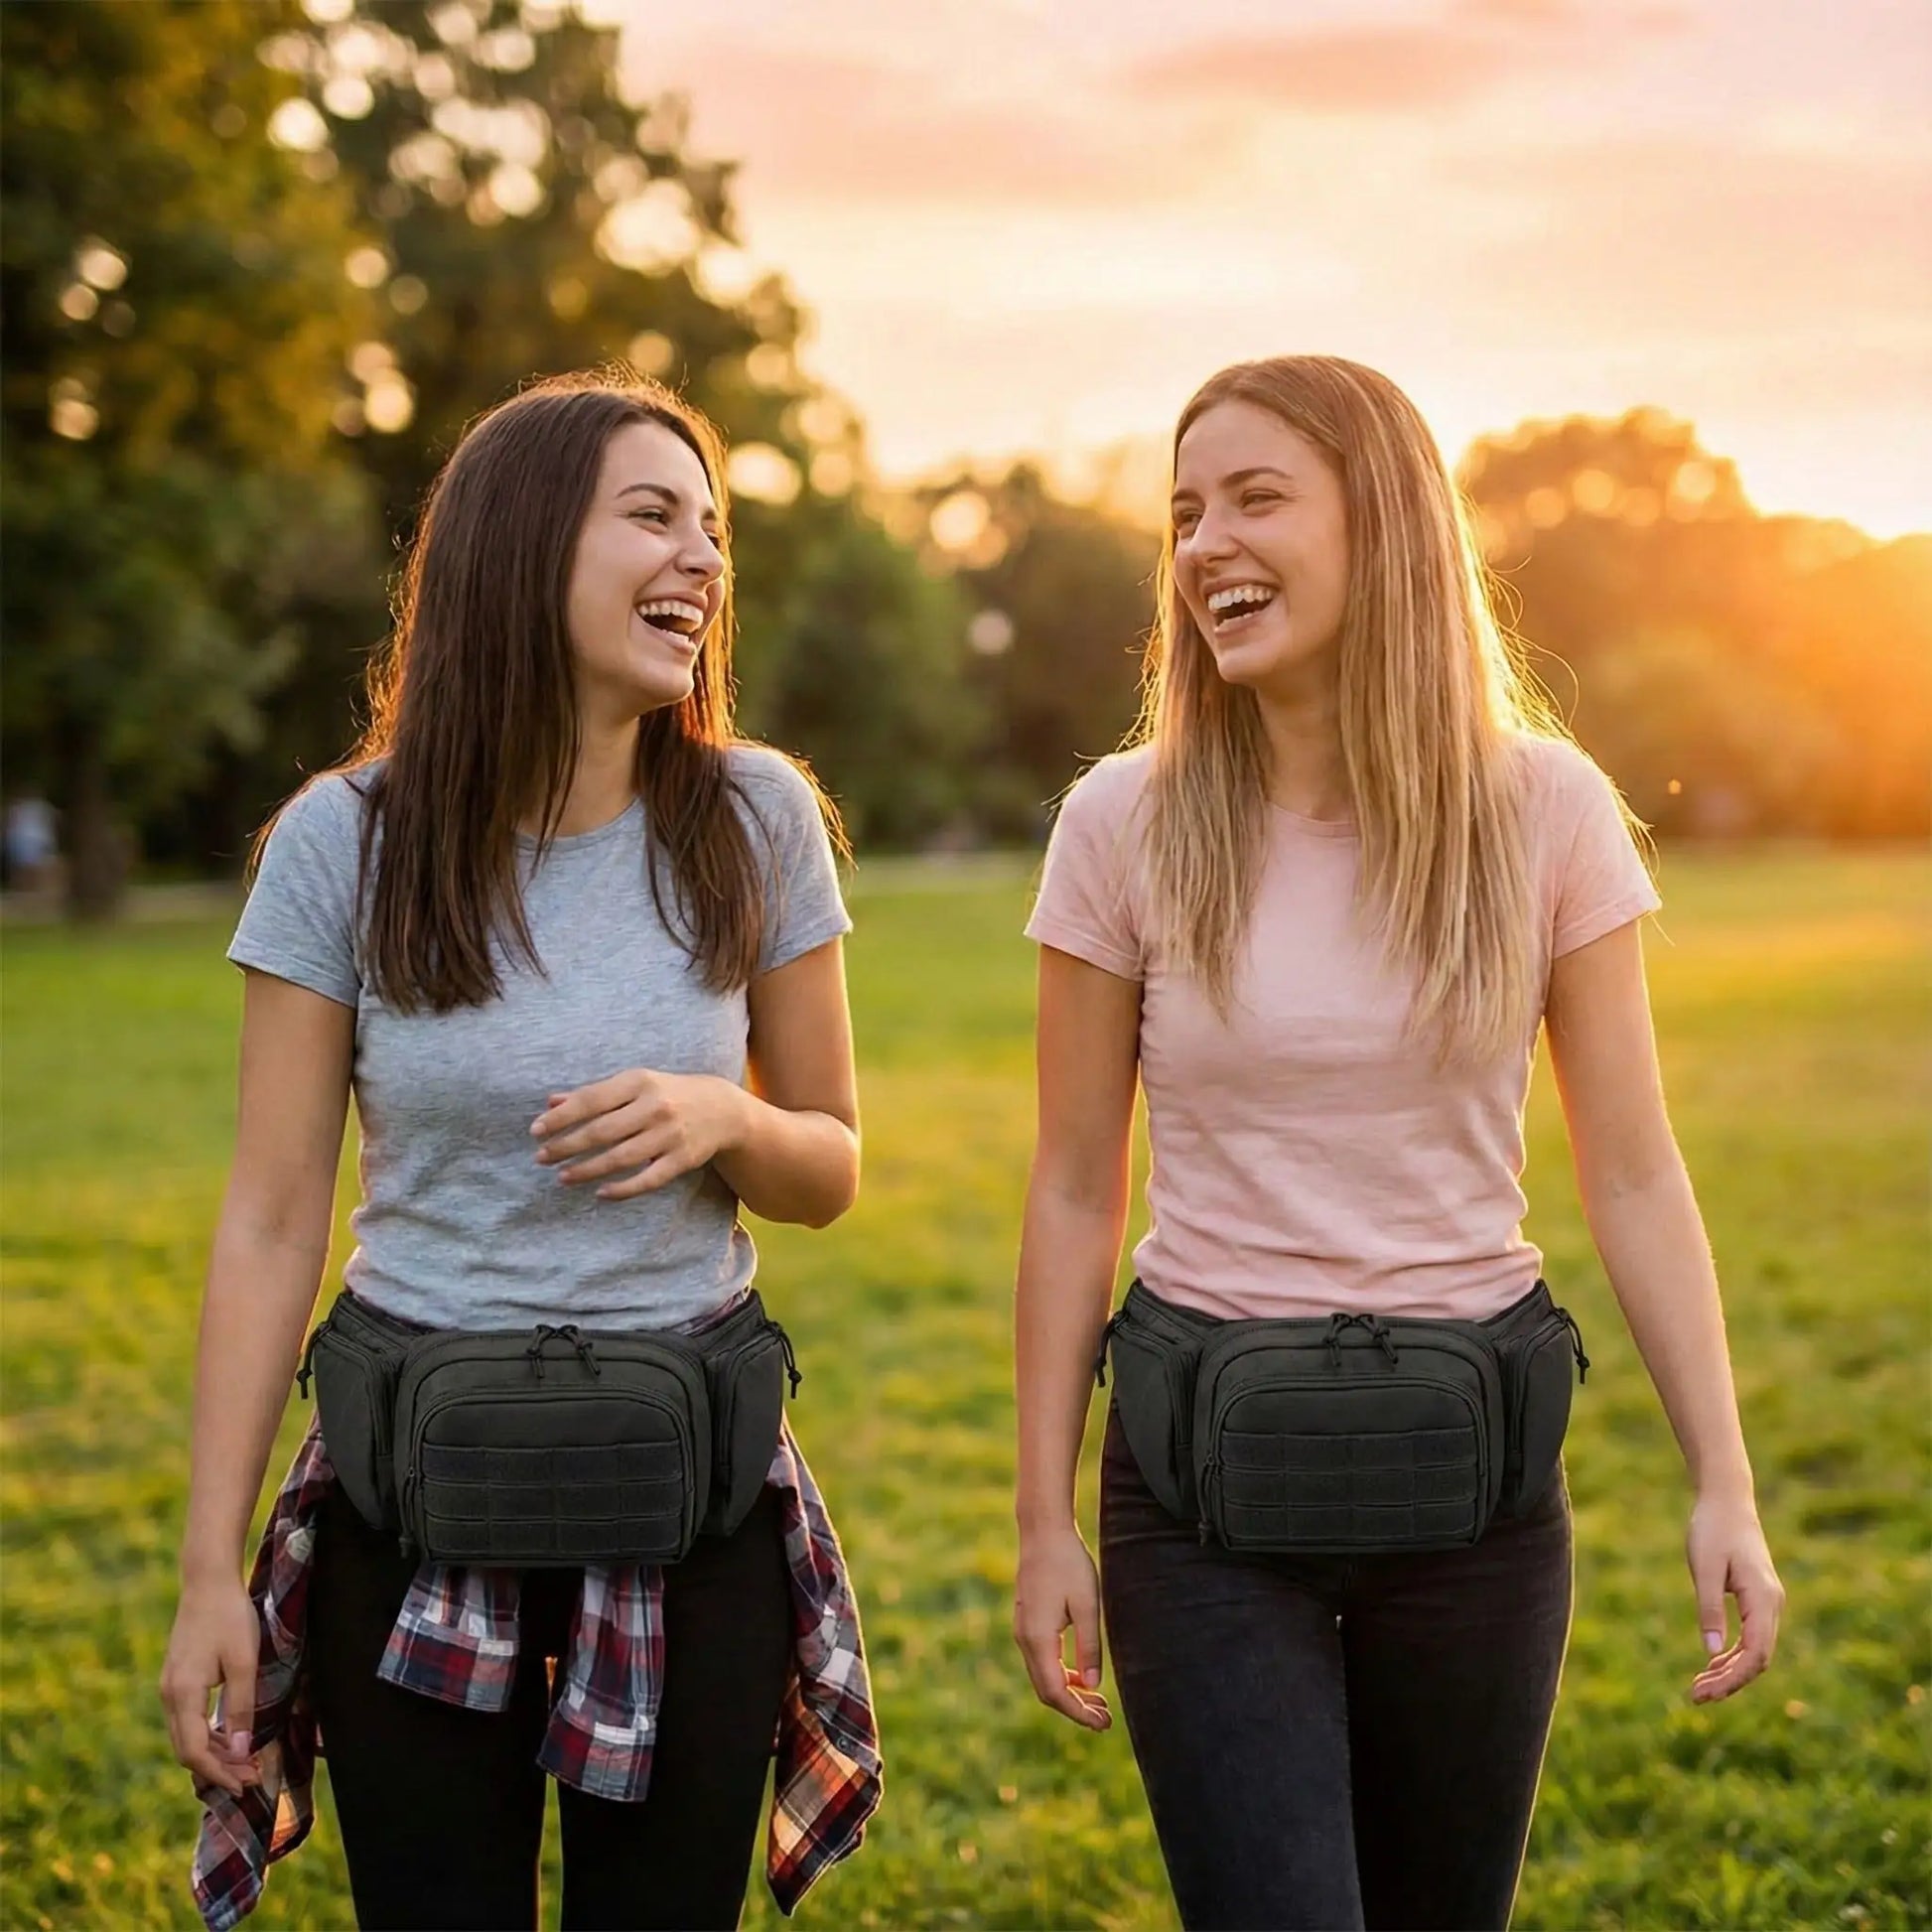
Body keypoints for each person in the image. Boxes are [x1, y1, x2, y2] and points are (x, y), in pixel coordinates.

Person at [1011, 354, 1784, 1931]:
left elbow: (1633, 1168)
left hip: (1472, 1492)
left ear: (1386, 524)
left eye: (1255, 498)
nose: (1206, 543)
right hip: (1202, 1496)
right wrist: (1040, 1519)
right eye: (1184, 512)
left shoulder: (1544, 809)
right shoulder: (1121, 821)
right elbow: (1075, 1184)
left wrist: (1723, 1477)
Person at [159, 373, 881, 1932]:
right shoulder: (342, 841)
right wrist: (212, 1567)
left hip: (687, 1495)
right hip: (415, 1491)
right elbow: (273, 1217)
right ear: (520, 543)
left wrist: (726, 1118)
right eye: (653, 515)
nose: (701, 558)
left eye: (712, 527)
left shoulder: (754, 816)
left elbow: (829, 1161)